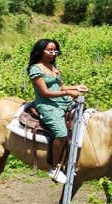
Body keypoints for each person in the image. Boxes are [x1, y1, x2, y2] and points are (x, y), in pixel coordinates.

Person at [27, 39, 88, 184]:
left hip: (62, 101)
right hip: (47, 104)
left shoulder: (52, 66)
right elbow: (45, 92)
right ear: (40, 51)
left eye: (55, 51)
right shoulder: (36, 69)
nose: (53, 53)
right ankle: (54, 167)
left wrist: (77, 87)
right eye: (49, 50)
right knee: (61, 133)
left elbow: (60, 87)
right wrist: (68, 92)